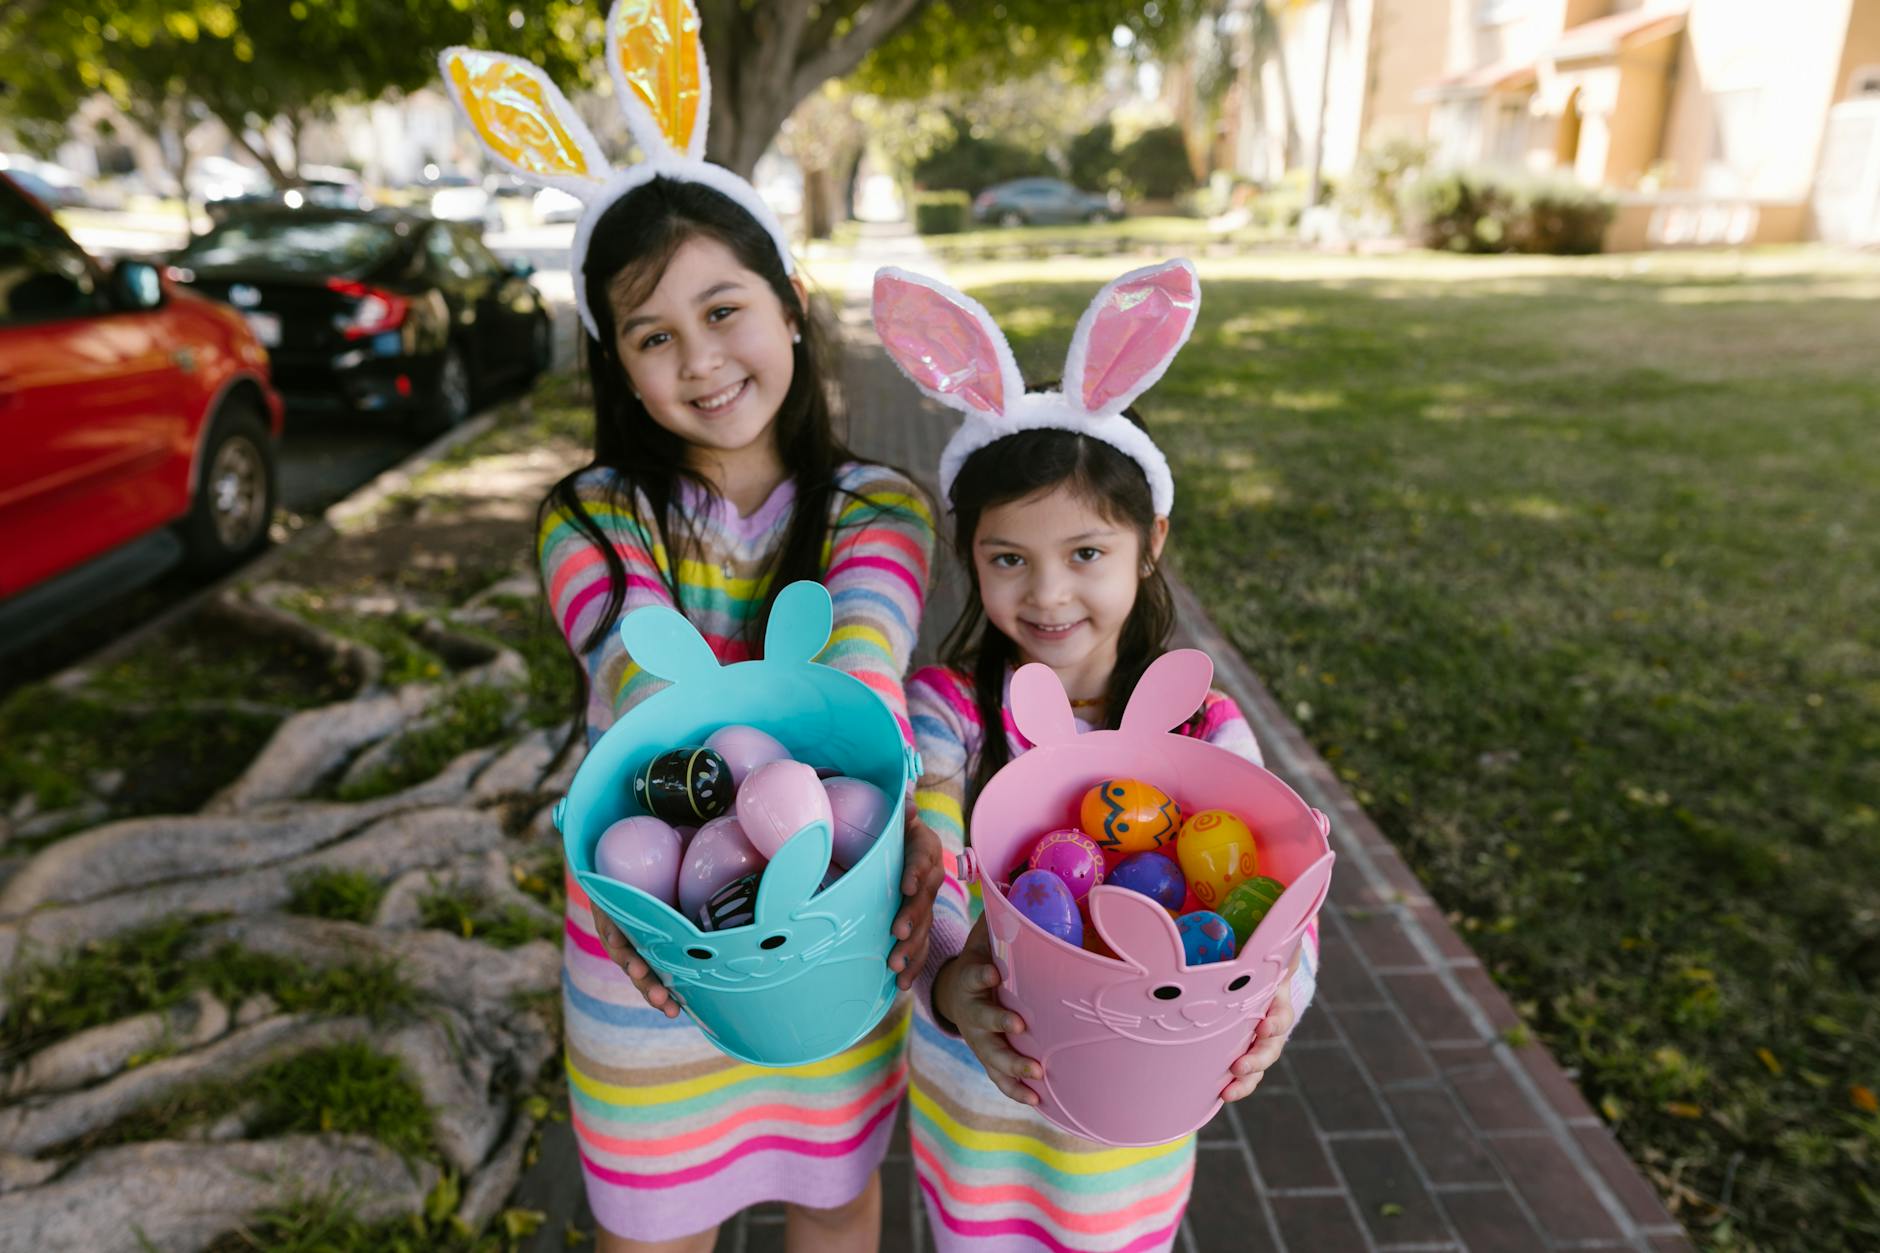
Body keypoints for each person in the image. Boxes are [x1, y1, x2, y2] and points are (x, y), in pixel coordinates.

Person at [442, 9, 944, 1250]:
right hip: (645, 942)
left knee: (829, 1192)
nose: (700, 360)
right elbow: (645, 694)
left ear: (787, 303)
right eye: (653, 336)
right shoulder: (590, 519)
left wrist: (913, 830)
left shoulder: (878, 505)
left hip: (829, 921)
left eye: (724, 311)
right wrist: (662, 907)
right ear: (617, 362)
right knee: (649, 1219)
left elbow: (855, 678)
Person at [874, 261, 1321, 1251]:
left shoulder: (1199, 729)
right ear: (970, 555)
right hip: (984, 1099)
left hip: (1134, 1117)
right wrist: (950, 983)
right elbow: (930, 849)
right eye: (1007, 557)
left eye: (1085, 552)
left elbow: (1269, 887)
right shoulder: (947, 713)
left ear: (1148, 543)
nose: (1046, 594)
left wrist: (1275, 996)